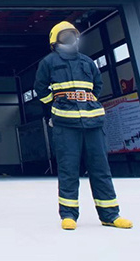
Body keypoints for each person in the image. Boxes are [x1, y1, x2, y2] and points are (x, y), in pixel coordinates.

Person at [34, 21, 132, 231]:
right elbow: (40, 89)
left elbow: (97, 86)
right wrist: (56, 103)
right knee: (68, 170)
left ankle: (110, 215)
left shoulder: (87, 62)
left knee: (100, 169)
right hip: (65, 124)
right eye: (66, 34)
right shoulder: (48, 62)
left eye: (73, 34)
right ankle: (68, 215)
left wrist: (86, 102)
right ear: (55, 39)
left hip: (93, 122)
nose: (71, 38)